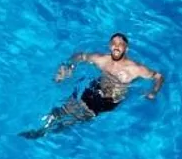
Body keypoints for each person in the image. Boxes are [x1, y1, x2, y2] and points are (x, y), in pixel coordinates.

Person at [21, 33, 163, 139]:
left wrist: (153, 92)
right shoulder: (102, 59)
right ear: (109, 46)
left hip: (109, 101)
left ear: (126, 48)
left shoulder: (135, 68)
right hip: (94, 88)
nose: (116, 46)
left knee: (74, 119)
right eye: (113, 43)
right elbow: (80, 56)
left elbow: (158, 76)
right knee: (62, 110)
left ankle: (47, 132)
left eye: (120, 44)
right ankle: (41, 128)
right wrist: (68, 67)